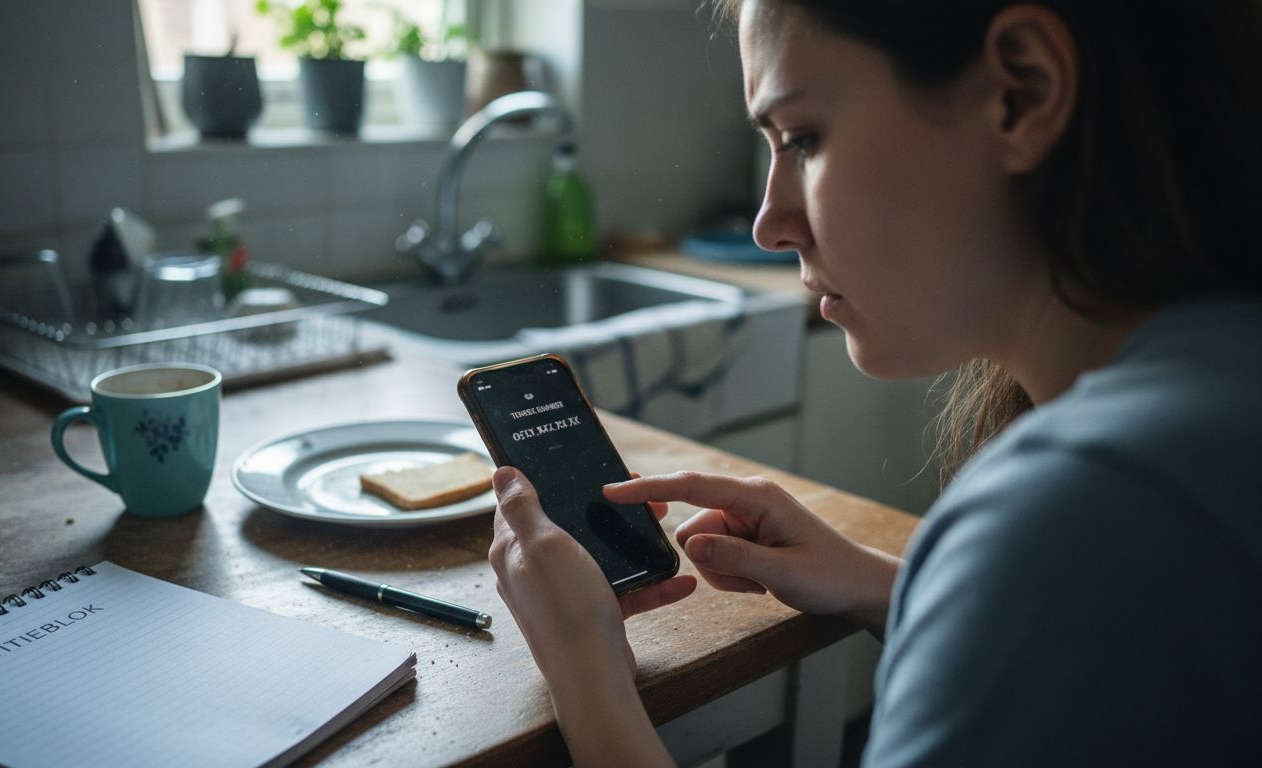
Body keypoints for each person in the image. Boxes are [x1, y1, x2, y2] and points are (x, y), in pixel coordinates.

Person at [487, 0, 1262, 765]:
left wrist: (584, 672)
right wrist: (887, 583)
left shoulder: (1073, 514)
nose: (769, 222)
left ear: (1020, 93)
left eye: (801, 138)